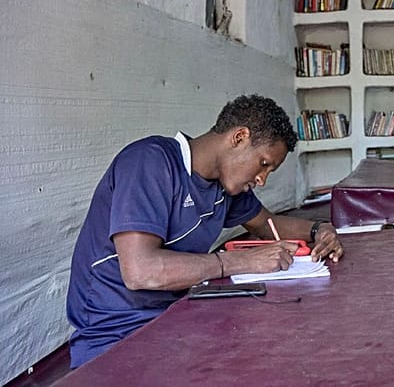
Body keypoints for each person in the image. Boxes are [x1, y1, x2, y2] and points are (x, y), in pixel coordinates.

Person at [66, 94, 343, 368]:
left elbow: (267, 224)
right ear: (239, 138)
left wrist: (319, 229)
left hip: (176, 318)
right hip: (116, 336)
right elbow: (141, 272)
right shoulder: (150, 162)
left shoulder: (225, 186)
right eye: (264, 164)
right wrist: (242, 261)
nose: (262, 179)